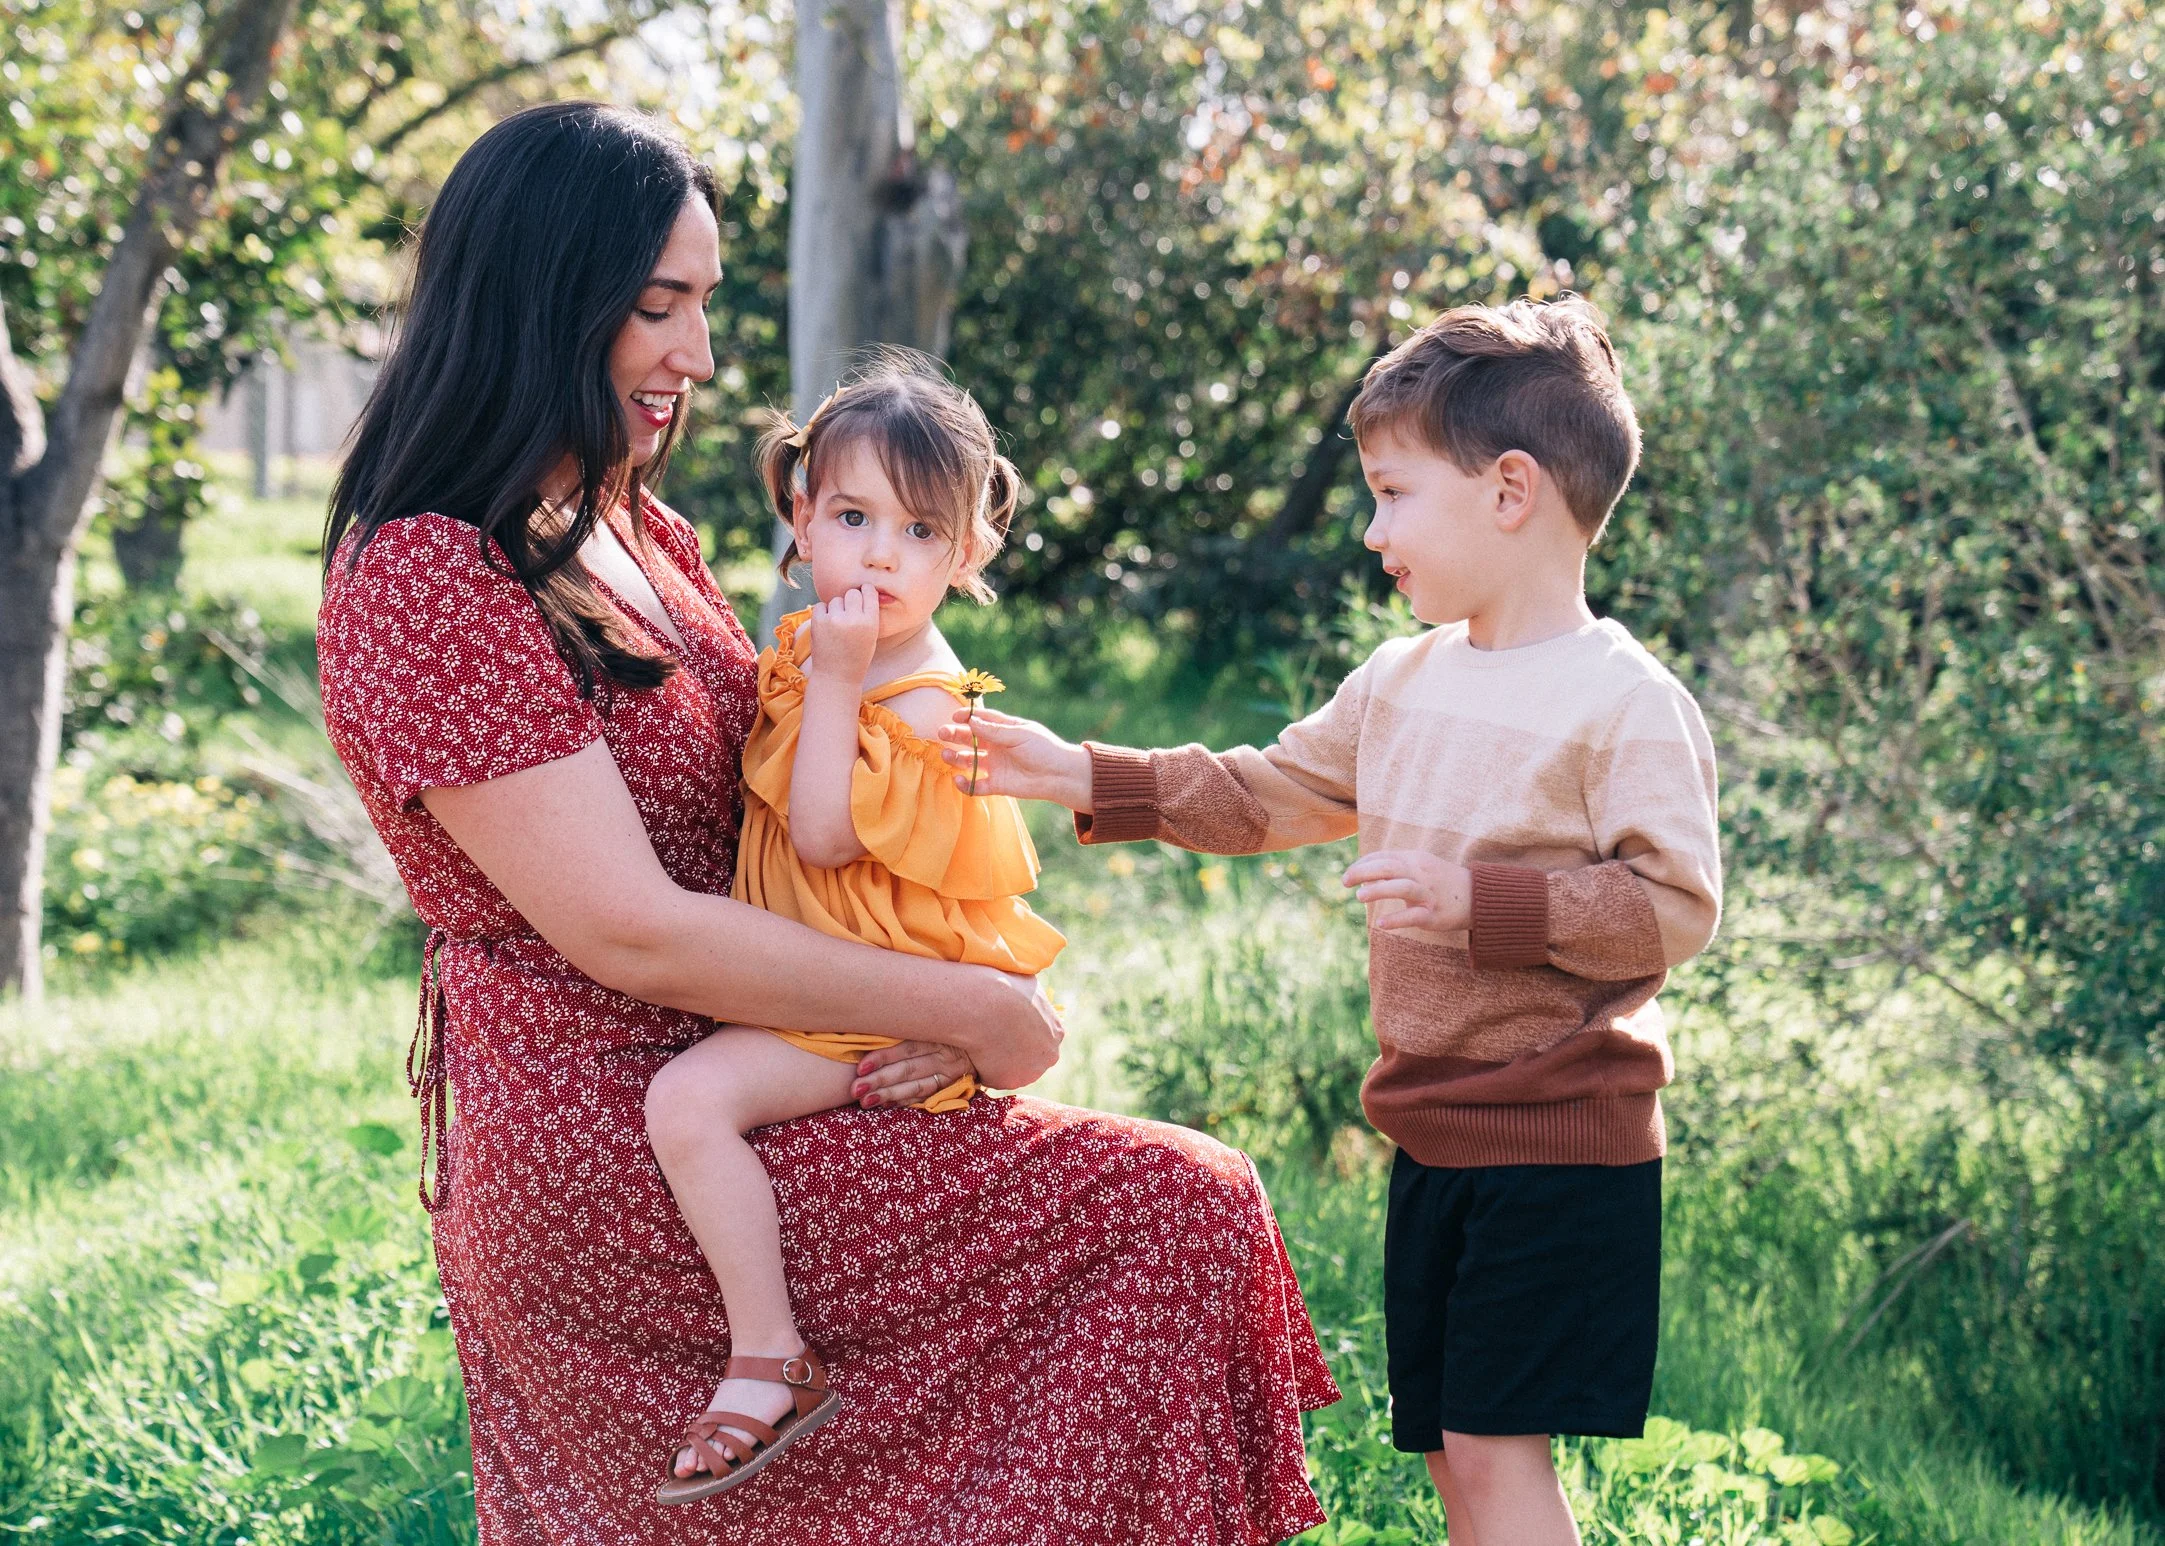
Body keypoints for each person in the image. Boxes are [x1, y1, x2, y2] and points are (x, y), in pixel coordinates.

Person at [315, 100, 1337, 1544]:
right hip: (621, 1141)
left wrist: (944, 944)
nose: (701, 356)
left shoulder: (628, 525)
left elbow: (814, 784)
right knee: (1171, 1208)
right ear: (545, 298)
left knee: (1175, 1214)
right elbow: (633, 927)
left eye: (707, 304)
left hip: (776, 1059)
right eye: (658, 306)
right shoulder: (433, 576)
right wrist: (977, 1009)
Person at [939, 297, 1724, 1546]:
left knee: (1491, 1449)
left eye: (1393, 494)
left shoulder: (1620, 701)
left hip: (1560, 1137)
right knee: (1455, 1462)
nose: (1371, 531)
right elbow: (1262, 794)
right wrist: (1086, 773)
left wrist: (1484, 903)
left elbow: (1673, 908)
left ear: (1509, 490)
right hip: (1434, 1123)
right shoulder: (1401, 683)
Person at [643, 353, 1067, 1503]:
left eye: (920, 531)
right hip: (820, 980)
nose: (880, 553)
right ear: (799, 513)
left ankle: (765, 1353)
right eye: (851, 515)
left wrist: (834, 682)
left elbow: (825, 837)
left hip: (857, 1002)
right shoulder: (829, 647)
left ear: (965, 553)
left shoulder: (921, 697)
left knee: (686, 1100)